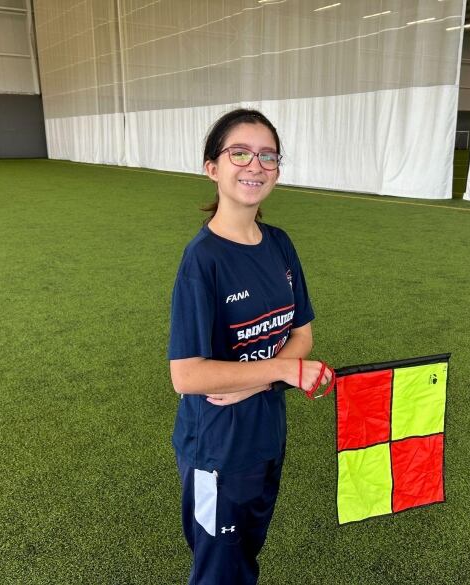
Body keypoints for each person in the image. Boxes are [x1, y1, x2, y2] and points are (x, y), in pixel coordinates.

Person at [168, 109, 331, 585]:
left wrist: (258, 379)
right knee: (220, 572)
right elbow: (188, 376)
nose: (255, 165)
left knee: (245, 560)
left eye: (267, 156)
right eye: (239, 153)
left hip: (266, 433)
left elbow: (302, 333)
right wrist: (278, 373)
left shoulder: (280, 244)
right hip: (218, 446)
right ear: (212, 168)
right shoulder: (203, 260)